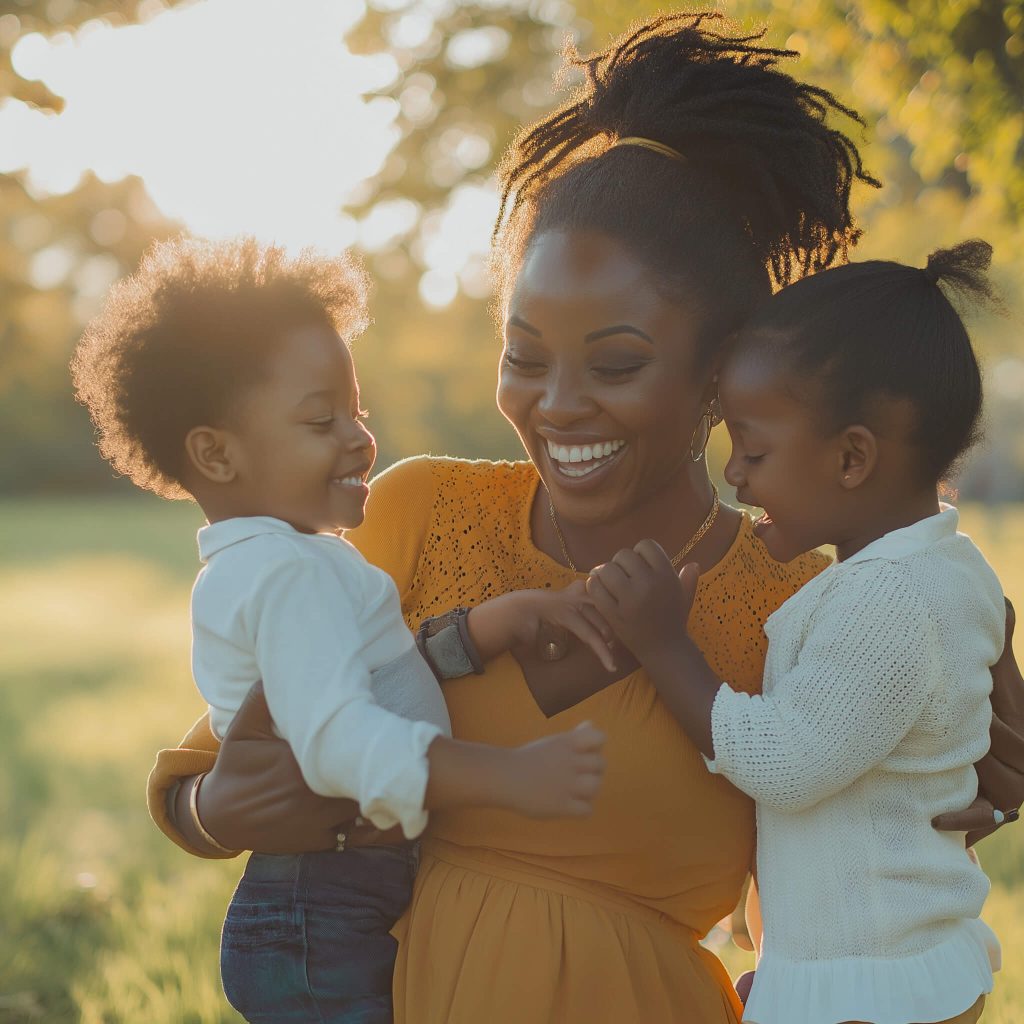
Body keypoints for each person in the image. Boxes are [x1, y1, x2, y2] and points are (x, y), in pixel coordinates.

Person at [145, 14, 1024, 1023]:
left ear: (716, 376)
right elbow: (206, 775)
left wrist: (962, 785)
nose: (557, 405)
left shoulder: (801, 606)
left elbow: (861, 885)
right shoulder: (416, 514)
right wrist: (221, 809)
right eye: (525, 356)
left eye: (614, 364)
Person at [72, 237, 610, 1023]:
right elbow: (336, 737)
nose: (361, 439)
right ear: (215, 454)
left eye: (357, 413)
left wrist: (488, 628)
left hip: (329, 904)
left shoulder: (289, 560)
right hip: (316, 910)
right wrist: (505, 777)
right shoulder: (287, 576)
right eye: (323, 420)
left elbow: (378, 671)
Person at [587, 241, 1007, 1024]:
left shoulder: (885, 600)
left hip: (870, 981)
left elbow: (786, 761)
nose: (736, 476)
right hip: (886, 962)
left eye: (754, 450)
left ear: (852, 458)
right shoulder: (947, 568)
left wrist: (663, 646)